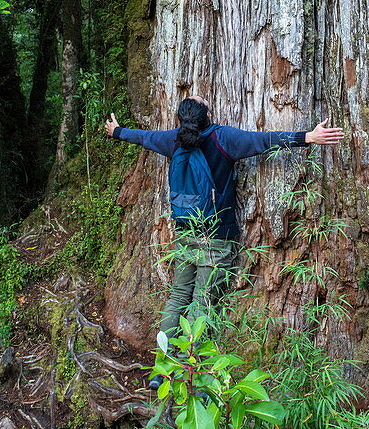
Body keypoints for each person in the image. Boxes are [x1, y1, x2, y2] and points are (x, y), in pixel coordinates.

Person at [103, 95, 344, 389]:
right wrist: (308, 137)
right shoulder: (223, 139)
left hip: (185, 233)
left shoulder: (172, 141)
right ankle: (188, 369)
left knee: (178, 298)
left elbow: (144, 137)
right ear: (207, 115)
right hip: (216, 237)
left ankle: (161, 369)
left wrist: (117, 132)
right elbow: (263, 140)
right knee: (202, 303)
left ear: (181, 118)